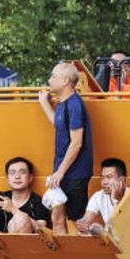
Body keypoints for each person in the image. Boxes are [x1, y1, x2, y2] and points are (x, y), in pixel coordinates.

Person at [38, 62, 94, 235]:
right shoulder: (63, 103)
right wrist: (44, 103)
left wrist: (60, 172)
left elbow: (77, 142)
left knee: (78, 222)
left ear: (65, 81)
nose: (49, 80)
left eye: (53, 76)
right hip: (61, 172)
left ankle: (81, 258)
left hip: (75, 173)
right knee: (57, 217)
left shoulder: (75, 104)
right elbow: (59, 123)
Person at [0, 157, 51, 233]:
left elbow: (41, 228)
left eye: (22, 172)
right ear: (7, 178)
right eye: (12, 173)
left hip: (25, 243)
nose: (17, 177)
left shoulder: (39, 202)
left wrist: (13, 209)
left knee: (21, 219)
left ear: (30, 177)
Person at [75, 158, 129, 235]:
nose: (104, 182)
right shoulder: (99, 196)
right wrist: (83, 223)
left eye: (109, 177)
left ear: (122, 180)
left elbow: (122, 225)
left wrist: (115, 200)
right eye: (102, 178)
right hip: (111, 237)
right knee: (84, 231)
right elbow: (88, 217)